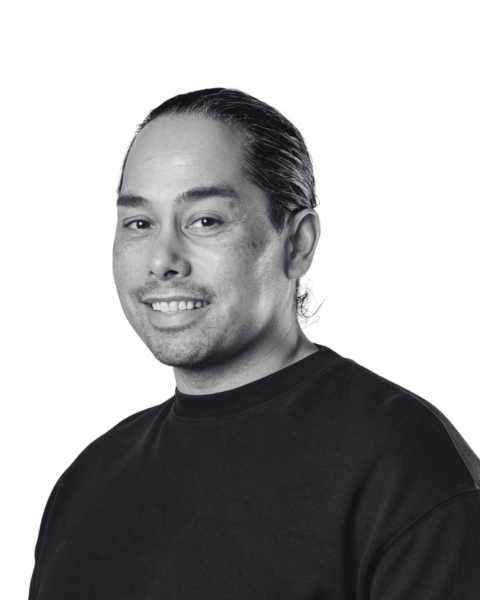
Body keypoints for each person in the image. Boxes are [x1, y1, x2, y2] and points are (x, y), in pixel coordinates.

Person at [29, 88, 480, 599]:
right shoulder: (88, 482)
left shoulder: (402, 465)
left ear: (298, 243)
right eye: (139, 223)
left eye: (206, 221)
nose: (161, 260)